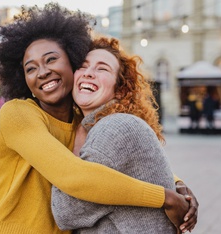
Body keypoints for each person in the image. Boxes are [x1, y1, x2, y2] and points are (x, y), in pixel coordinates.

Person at [0, 4, 198, 234]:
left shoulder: (81, 121)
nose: (42, 72)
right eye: (30, 68)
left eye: (51, 59)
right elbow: (73, 175)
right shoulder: (18, 113)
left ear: (72, 64)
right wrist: (164, 197)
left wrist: (177, 184)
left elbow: (124, 161)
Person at [51, 37, 190, 233]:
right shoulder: (112, 123)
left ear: (120, 89)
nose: (89, 73)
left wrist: (79, 136)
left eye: (102, 69)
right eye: (83, 66)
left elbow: (66, 212)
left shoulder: (115, 128)